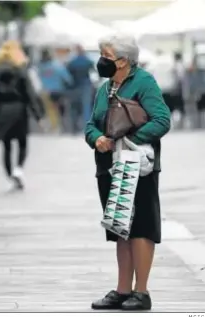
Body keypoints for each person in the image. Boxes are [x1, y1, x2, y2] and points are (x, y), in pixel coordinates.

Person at [84, 33, 171, 311]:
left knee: (141, 227)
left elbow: (162, 119)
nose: (102, 62)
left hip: (137, 165)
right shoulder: (105, 88)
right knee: (120, 229)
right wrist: (96, 137)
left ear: (124, 61)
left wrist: (131, 138)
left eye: (107, 57)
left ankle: (141, 291)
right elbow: (90, 124)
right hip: (109, 164)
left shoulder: (144, 82)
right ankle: (123, 290)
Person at [0, 40, 44, 190]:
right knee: (22, 142)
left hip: (2, 110)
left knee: (6, 145)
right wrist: (38, 116)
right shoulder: (21, 71)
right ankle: (18, 169)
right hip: (19, 110)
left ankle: (10, 175)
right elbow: (29, 94)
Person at [37, 49, 73, 133]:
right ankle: (59, 126)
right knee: (60, 109)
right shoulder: (57, 66)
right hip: (58, 91)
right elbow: (68, 79)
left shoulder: (40, 67)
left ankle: (54, 126)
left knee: (50, 110)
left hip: (45, 91)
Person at [67, 44, 95, 132]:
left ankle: (74, 127)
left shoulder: (72, 62)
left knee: (74, 107)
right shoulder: (88, 61)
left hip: (75, 87)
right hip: (86, 86)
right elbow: (94, 72)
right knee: (86, 107)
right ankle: (86, 127)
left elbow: (68, 75)